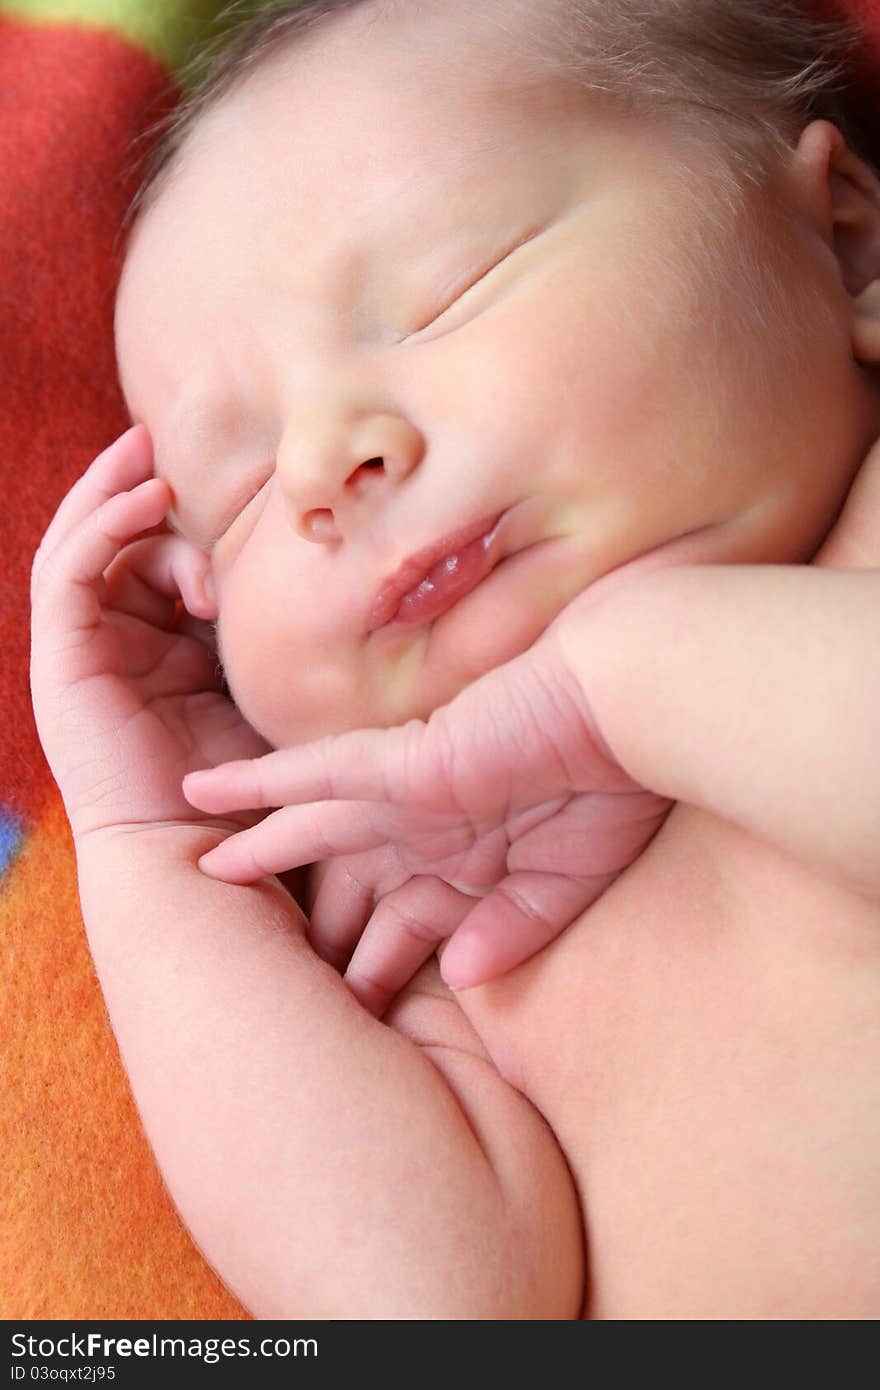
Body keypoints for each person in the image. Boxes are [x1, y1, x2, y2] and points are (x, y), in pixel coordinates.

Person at [29, 0, 880, 1318]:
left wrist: (625, 680)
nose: (324, 464)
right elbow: (426, 1307)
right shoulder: (432, 917)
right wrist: (153, 850)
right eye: (244, 490)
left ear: (848, 243)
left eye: (444, 292)